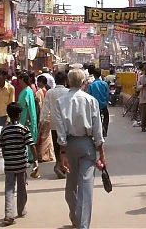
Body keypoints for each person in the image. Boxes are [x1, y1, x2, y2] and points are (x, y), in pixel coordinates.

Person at [54, 68, 106, 229]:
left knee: (71, 185)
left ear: (68, 82)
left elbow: (60, 129)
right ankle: (83, 224)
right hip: (87, 145)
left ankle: (75, 217)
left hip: (69, 145)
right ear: (84, 83)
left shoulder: (60, 101)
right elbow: (97, 129)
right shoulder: (91, 101)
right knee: (86, 186)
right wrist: (101, 152)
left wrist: (62, 152)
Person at [0, 101, 39, 226]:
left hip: (9, 164)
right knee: (22, 188)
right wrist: (35, 160)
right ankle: (21, 210)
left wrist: (7, 158)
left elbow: (2, 147)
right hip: (21, 163)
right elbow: (31, 145)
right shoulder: (23, 129)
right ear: (20, 114)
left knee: (9, 189)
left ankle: (8, 214)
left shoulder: (4, 130)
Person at [41, 70, 70, 179]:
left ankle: (59, 164)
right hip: (66, 124)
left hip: (54, 124)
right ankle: (63, 166)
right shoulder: (68, 92)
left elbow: (45, 108)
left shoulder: (50, 92)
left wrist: (42, 122)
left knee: (56, 146)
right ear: (65, 81)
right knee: (65, 146)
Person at [17, 73, 39, 169]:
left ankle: (28, 158)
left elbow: (28, 105)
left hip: (25, 118)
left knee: (25, 139)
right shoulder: (27, 90)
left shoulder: (27, 91)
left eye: (19, 80)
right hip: (25, 118)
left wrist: (28, 119)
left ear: (23, 80)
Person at [88, 68, 110, 139]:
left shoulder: (91, 85)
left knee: (96, 120)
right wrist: (106, 101)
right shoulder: (104, 84)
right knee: (106, 117)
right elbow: (107, 94)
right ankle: (104, 130)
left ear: (94, 75)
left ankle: (97, 133)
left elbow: (89, 95)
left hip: (95, 106)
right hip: (103, 105)